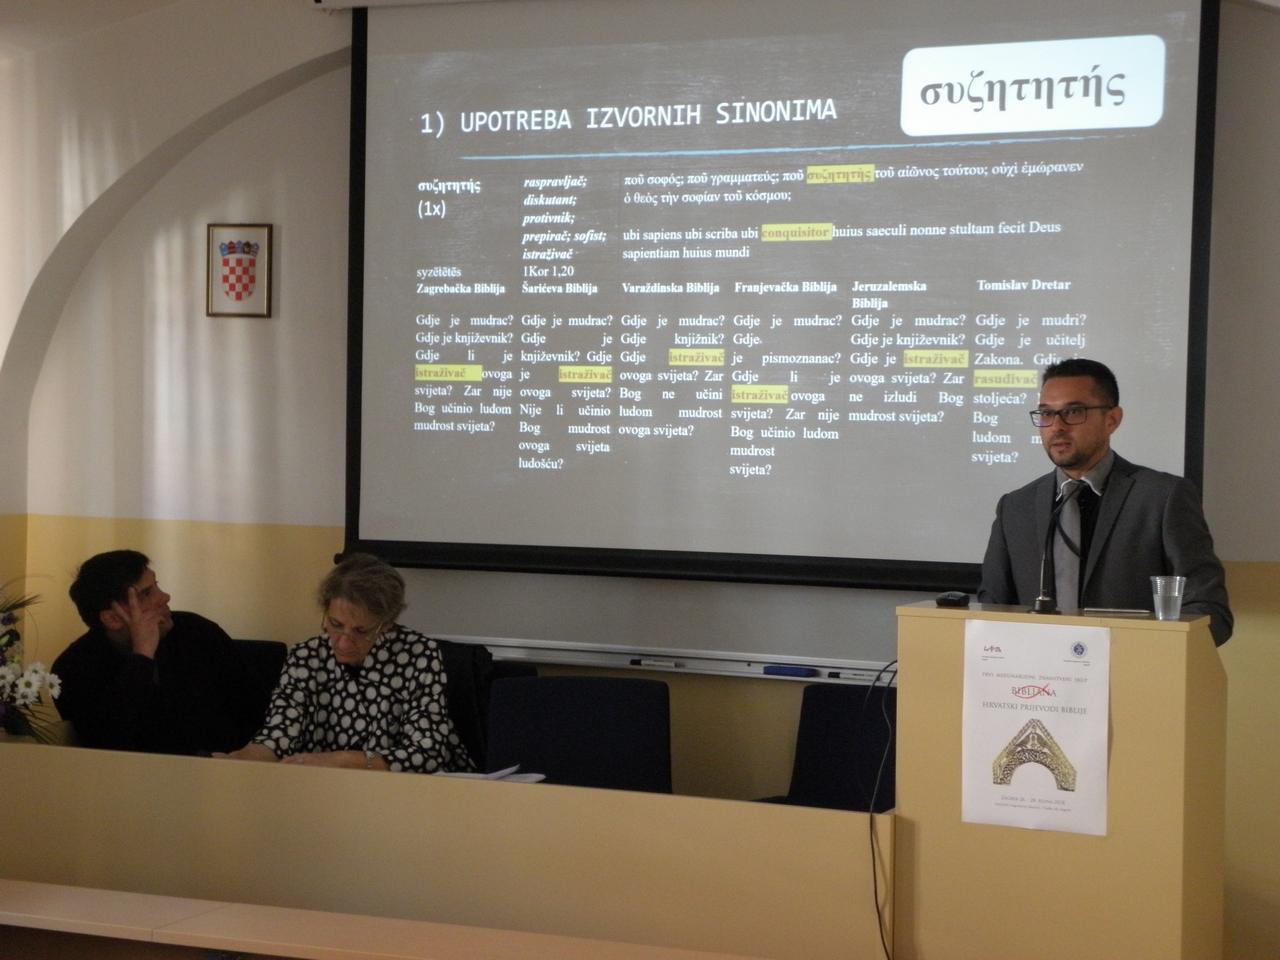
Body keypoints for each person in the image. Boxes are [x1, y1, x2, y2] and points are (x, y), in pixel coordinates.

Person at [977, 358, 1232, 645]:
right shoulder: (1015, 508)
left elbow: (1210, 612)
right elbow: (989, 612)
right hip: (1037, 670)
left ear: (1112, 420)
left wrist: (1157, 654)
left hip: (1135, 668)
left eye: (1073, 412)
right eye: (1047, 414)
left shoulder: (1162, 498)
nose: (1057, 426)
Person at [218, 553, 473, 772]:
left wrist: (344, 760)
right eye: (335, 625)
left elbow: (427, 753)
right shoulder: (305, 656)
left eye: (361, 631)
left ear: (386, 624)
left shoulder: (420, 655)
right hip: (325, 790)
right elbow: (279, 734)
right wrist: (244, 758)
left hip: (404, 790)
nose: (343, 642)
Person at [53, 550, 271, 753]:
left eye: (156, 585)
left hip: (224, 767)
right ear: (113, 618)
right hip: (133, 776)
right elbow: (110, 742)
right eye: (147, 593)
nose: (165, 596)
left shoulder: (197, 631)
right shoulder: (73, 669)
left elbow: (257, 711)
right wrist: (142, 655)